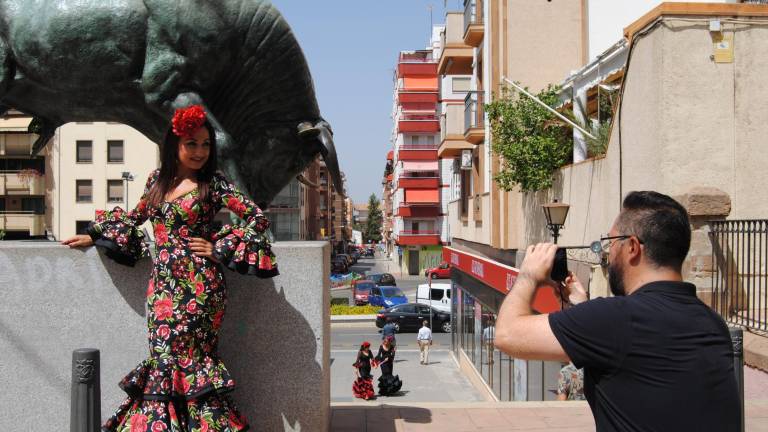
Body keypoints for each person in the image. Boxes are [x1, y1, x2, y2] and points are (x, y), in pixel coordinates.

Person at [62, 105, 278, 432]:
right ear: (174, 144)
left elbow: (257, 219)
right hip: (162, 289)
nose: (200, 152)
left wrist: (217, 248)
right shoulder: (156, 181)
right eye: (192, 143)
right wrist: (92, 236)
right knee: (163, 361)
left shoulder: (215, 183)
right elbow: (134, 218)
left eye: (206, 145)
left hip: (201, 290)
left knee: (192, 364)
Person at [494, 191, 739, 431]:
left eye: (610, 242)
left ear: (632, 247)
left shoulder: (615, 319)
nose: (607, 253)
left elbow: (507, 335)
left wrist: (528, 275)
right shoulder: (713, 324)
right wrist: (582, 305)